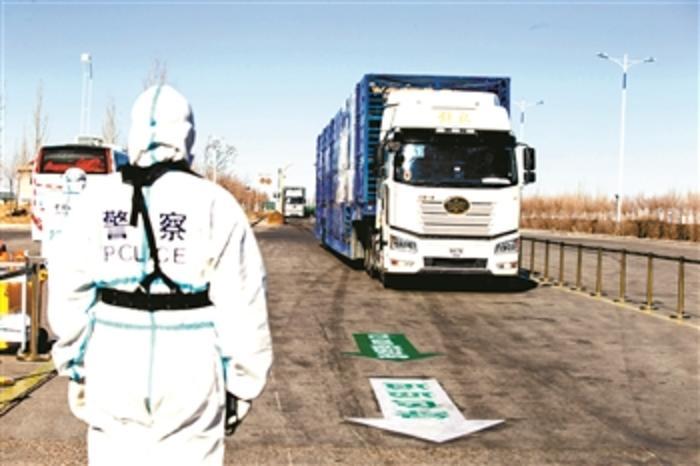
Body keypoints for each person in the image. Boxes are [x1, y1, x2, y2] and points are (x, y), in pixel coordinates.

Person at [48, 84, 273, 465]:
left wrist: (75, 362)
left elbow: (69, 290)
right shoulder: (214, 202)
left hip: (113, 360)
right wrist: (242, 384)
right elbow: (243, 301)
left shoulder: (96, 200)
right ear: (187, 136)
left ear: (135, 132)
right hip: (191, 369)